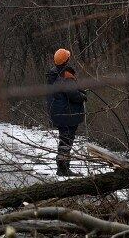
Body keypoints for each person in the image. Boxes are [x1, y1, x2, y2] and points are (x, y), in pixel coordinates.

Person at [47, 48, 86, 176]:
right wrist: (83, 96)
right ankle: (63, 169)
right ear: (66, 60)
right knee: (66, 141)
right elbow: (73, 95)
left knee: (64, 140)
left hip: (59, 114)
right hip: (67, 115)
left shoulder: (53, 74)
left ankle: (63, 167)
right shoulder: (65, 76)